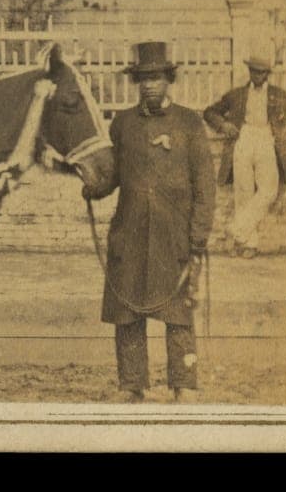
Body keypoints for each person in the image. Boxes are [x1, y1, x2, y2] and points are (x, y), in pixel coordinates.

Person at [85, 42, 216, 403]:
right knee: (126, 309)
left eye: (156, 78)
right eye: (143, 78)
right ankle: (131, 384)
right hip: (129, 233)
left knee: (179, 311)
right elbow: (112, 176)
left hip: (174, 236)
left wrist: (199, 234)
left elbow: (205, 185)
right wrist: (93, 188)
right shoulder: (123, 123)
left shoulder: (190, 123)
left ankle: (184, 384)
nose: (149, 85)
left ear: (168, 80)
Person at [203, 52, 286, 258]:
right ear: (249, 71)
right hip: (243, 137)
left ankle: (237, 228)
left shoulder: (277, 94)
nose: (257, 76)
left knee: (269, 189)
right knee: (243, 190)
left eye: (261, 72)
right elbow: (209, 112)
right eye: (253, 71)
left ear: (267, 74)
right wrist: (223, 125)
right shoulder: (237, 95)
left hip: (266, 137)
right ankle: (248, 244)